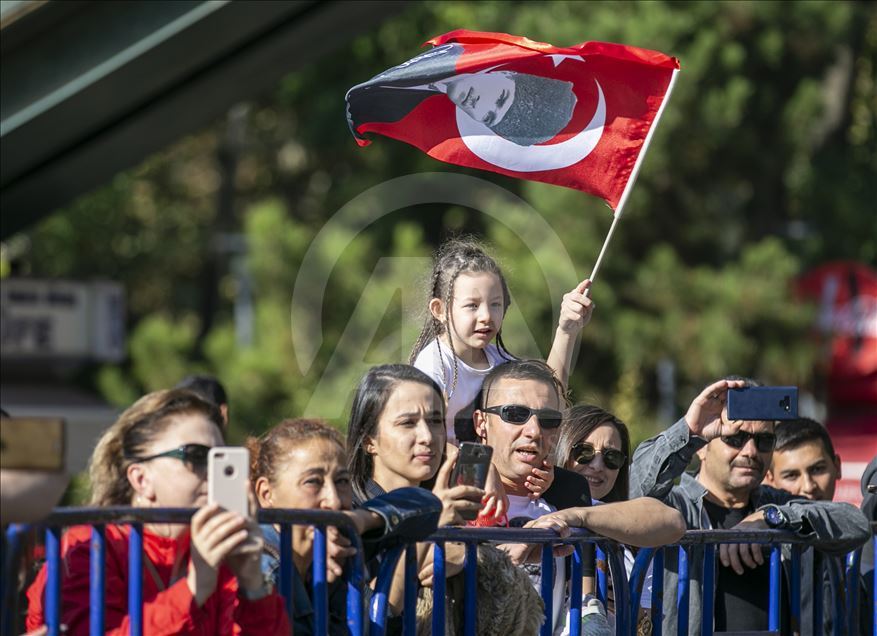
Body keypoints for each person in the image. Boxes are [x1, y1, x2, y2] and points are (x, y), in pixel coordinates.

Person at [24, 389, 289, 635]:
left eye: (221, 459)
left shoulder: (214, 552)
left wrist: (253, 584)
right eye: (196, 456)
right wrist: (193, 590)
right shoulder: (87, 546)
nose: (213, 473)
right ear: (141, 479)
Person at [630, 377, 872, 635]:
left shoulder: (775, 504)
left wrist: (769, 518)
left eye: (764, 441)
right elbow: (632, 492)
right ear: (701, 448)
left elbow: (854, 522)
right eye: (736, 438)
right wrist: (689, 431)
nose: (751, 451)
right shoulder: (675, 505)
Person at [472, 360, 686, 635]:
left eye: (548, 420)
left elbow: (670, 522)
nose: (534, 431)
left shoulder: (562, 500)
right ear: (481, 423)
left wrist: (573, 516)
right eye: (515, 414)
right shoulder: (454, 495)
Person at [248, 417, 441, 635]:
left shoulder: (343, 540)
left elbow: (428, 506)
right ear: (266, 493)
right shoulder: (259, 568)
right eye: (312, 482)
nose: (334, 501)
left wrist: (363, 519)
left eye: (341, 481)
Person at [410, 238, 593, 445]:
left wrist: (566, 331)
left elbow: (550, 405)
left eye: (495, 304)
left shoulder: (501, 361)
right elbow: (423, 441)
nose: (486, 316)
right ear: (439, 310)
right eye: (472, 305)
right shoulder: (433, 367)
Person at [347, 43, 578, 147]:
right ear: (507, 74)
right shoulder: (458, 48)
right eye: (500, 98)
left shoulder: (398, 111)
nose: (481, 104)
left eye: (489, 117)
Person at [553, 404, 653, 631]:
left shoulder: (634, 534)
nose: (597, 466)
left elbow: (647, 627)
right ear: (561, 448)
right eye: (584, 452)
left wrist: (629, 606)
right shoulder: (541, 514)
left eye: (611, 457)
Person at [763, 417, 842, 501]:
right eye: (791, 476)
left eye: (817, 469)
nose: (808, 487)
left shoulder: (854, 513)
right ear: (770, 479)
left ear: (837, 467)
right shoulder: (753, 513)